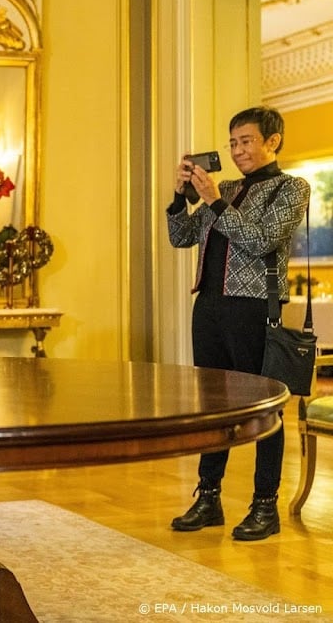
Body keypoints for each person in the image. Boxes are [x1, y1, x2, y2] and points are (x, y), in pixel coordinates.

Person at [166, 106, 309, 541]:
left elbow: (260, 240)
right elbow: (181, 237)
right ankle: (208, 496)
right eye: (232, 143)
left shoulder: (291, 188)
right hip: (208, 306)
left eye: (246, 141)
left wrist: (213, 199)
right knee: (212, 406)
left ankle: (265, 506)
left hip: (253, 309)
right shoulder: (226, 187)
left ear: (273, 141)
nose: (238, 150)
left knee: (265, 407)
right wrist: (179, 196)